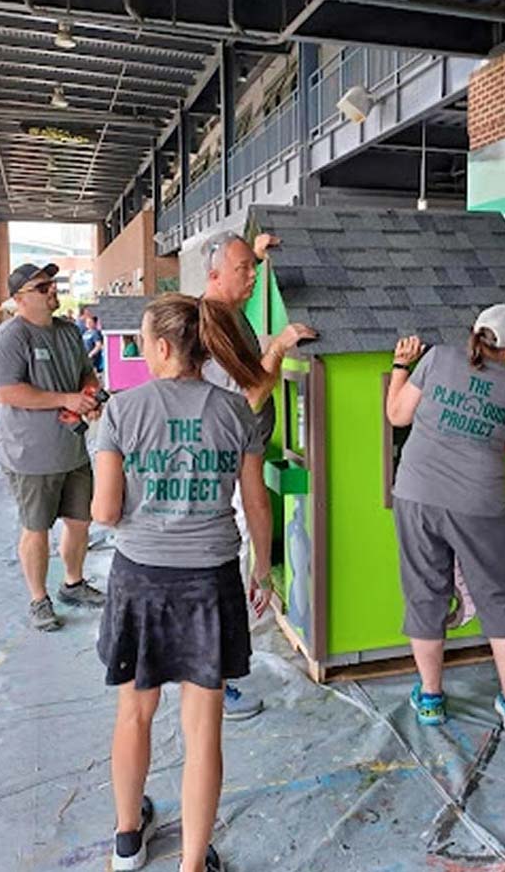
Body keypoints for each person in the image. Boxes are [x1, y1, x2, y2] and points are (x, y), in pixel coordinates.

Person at [93, 293, 275, 872]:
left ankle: (127, 841)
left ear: (165, 347)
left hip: (140, 578)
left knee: (135, 714)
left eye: (144, 342)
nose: (142, 351)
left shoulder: (121, 411)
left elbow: (103, 511)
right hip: (210, 580)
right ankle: (192, 863)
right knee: (203, 732)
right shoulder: (235, 412)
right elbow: (256, 503)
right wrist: (263, 569)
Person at [386, 304, 505, 733]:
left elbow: (396, 415)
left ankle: (430, 698)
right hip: (480, 500)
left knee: (425, 593)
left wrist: (399, 367)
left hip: (418, 494)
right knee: (499, 596)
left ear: (475, 331)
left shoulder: (437, 358)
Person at [200, 230, 316, 720]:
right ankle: (216, 686)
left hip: (240, 455)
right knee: (228, 575)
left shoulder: (227, 312)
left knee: (239, 564)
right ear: (213, 276)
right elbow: (247, 397)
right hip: (228, 462)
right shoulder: (213, 325)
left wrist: (257, 250)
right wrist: (282, 345)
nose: (252, 276)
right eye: (244, 269)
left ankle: (216, 676)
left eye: (254, 267)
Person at [0, 263, 105, 632]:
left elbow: (84, 372)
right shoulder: (11, 337)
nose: (52, 291)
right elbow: (6, 391)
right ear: (19, 299)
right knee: (36, 526)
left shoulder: (69, 331)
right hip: (30, 454)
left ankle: (72, 583)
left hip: (72, 449)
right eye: (42, 287)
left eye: (52, 284)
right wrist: (67, 400)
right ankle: (38, 598)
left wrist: (89, 394)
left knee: (79, 521)